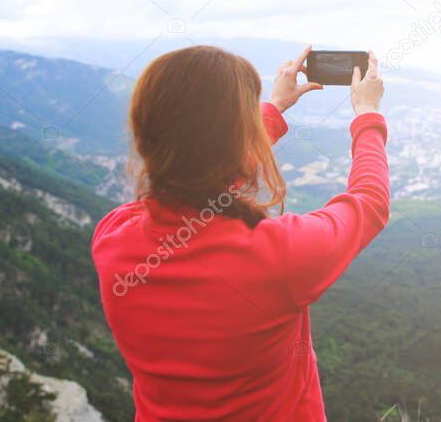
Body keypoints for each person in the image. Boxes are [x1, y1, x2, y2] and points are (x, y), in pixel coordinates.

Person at [92, 44, 388, 421]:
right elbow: (369, 201)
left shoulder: (113, 240)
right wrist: (367, 115)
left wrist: (273, 108)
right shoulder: (279, 256)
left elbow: (195, 173)